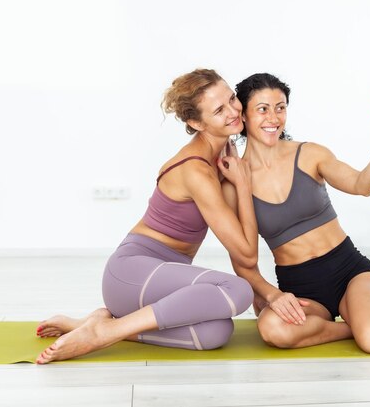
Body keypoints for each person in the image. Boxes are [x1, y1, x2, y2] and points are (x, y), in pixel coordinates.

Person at [35, 69, 257, 364]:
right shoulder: (196, 170)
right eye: (219, 110)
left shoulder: (225, 149)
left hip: (158, 286)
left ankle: (95, 324)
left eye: (231, 99)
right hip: (132, 274)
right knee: (238, 290)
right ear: (195, 122)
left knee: (215, 333)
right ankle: (104, 333)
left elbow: (242, 248)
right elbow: (246, 253)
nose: (233, 111)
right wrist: (243, 183)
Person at [223, 72, 370, 354]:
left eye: (280, 107)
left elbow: (362, 185)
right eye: (262, 109)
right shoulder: (234, 181)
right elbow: (242, 258)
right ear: (244, 116)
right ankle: (359, 327)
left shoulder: (310, 154)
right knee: (271, 329)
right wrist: (265, 295)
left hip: (348, 270)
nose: (273, 118)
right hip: (300, 286)